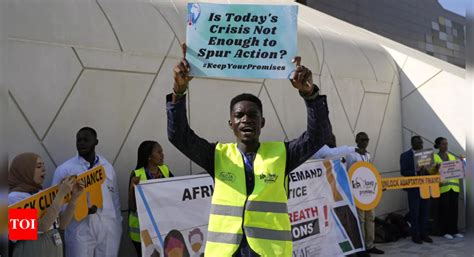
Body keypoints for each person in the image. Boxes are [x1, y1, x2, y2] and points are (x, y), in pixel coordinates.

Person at [168, 43, 332, 256]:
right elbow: (178, 136)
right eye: (239, 115)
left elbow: (318, 136)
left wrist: (310, 94)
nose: (246, 119)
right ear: (230, 123)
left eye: (253, 115)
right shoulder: (216, 155)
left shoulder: (282, 154)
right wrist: (179, 91)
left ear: (262, 122)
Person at [52, 127, 122, 257]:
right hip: (79, 227)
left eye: (86, 140)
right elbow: (56, 204)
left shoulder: (107, 167)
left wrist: (117, 224)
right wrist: (79, 208)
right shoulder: (65, 170)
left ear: (96, 142)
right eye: (79, 140)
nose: (82, 143)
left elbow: (115, 198)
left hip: (107, 226)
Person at [8, 153, 84, 257]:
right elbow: (42, 226)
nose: (44, 169)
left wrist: (74, 198)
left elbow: (62, 224)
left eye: (43, 165)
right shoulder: (14, 198)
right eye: (39, 166)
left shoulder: (40, 194)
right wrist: (61, 194)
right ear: (25, 170)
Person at [129, 140, 174, 255]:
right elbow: (132, 207)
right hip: (142, 232)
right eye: (159, 152)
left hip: (161, 228)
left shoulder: (165, 170)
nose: (162, 155)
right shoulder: (137, 174)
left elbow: (176, 191)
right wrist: (132, 188)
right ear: (149, 156)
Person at [345, 132, 384, 256]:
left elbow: (370, 172)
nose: (364, 142)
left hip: (369, 192)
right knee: (360, 220)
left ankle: (370, 245)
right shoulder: (351, 155)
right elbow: (349, 172)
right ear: (356, 140)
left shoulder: (368, 155)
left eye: (366, 139)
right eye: (362, 139)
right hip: (358, 192)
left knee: (370, 218)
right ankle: (361, 248)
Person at [400, 135, 433, 244]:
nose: (421, 145)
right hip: (413, 189)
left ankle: (424, 234)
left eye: (421, 142)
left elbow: (430, 171)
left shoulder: (426, 155)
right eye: (418, 143)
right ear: (412, 143)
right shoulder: (405, 155)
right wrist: (416, 173)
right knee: (415, 212)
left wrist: (433, 169)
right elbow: (404, 171)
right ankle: (415, 235)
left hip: (425, 188)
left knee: (425, 212)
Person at [432, 137, 463, 240]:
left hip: (454, 188)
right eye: (443, 144)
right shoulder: (435, 157)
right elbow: (431, 173)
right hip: (443, 188)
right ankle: (444, 231)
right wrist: (436, 168)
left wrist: (461, 162)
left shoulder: (452, 157)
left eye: (446, 144)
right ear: (438, 145)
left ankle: (454, 230)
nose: (445, 146)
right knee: (444, 211)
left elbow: (457, 170)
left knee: (454, 210)